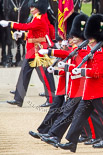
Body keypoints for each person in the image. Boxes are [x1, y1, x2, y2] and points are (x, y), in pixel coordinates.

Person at [57, 14, 103, 152]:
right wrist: (67, 68)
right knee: (78, 116)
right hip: (89, 92)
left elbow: (98, 72)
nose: (88, 41)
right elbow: (82, 67)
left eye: (90, 39)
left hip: (99, 91)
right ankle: (71, 142)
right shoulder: (91, 50)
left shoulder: (100, 51)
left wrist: (81, 72)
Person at [0, 0, 56, 107]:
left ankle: (52, 99)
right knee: (24, 74)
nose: (30, 9)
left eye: (33, 7)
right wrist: (22, 36)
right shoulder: (35, 17)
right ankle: (18, 98)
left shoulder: (40, 18)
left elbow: (26, 27)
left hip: (39, 52)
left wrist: (9, 24)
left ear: (39, 8)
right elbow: (31, 33)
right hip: (31, 51)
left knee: (45, 76)